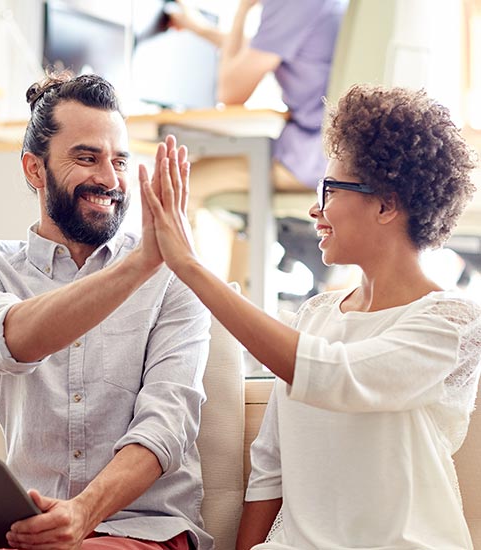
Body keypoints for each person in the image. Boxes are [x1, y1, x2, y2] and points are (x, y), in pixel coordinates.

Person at [140, 83, 481, 549]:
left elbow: (337, 376)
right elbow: (270, 467)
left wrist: (191, 267)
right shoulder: (315, 316)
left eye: (330, 189)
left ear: (385, 205)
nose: (315, 209)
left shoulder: (451, 323)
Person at [0, 73, 213, 550]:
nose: (109, 179)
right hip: (26, 531)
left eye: (120, 161)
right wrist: (139, 266)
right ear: (34, 169)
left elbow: (166, 425)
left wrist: (83, 514)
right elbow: (11, 343)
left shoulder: (174, 274)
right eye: (87, 158)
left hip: (143, 529)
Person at [169, 0, 348, 282]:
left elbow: (229, 91)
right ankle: (233, 309)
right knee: (240, 206)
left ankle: (195, 306)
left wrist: (242, 9)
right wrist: (199, 29)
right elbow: (260, 48)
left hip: (309, 161)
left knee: (177, 184)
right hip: (337, 159)